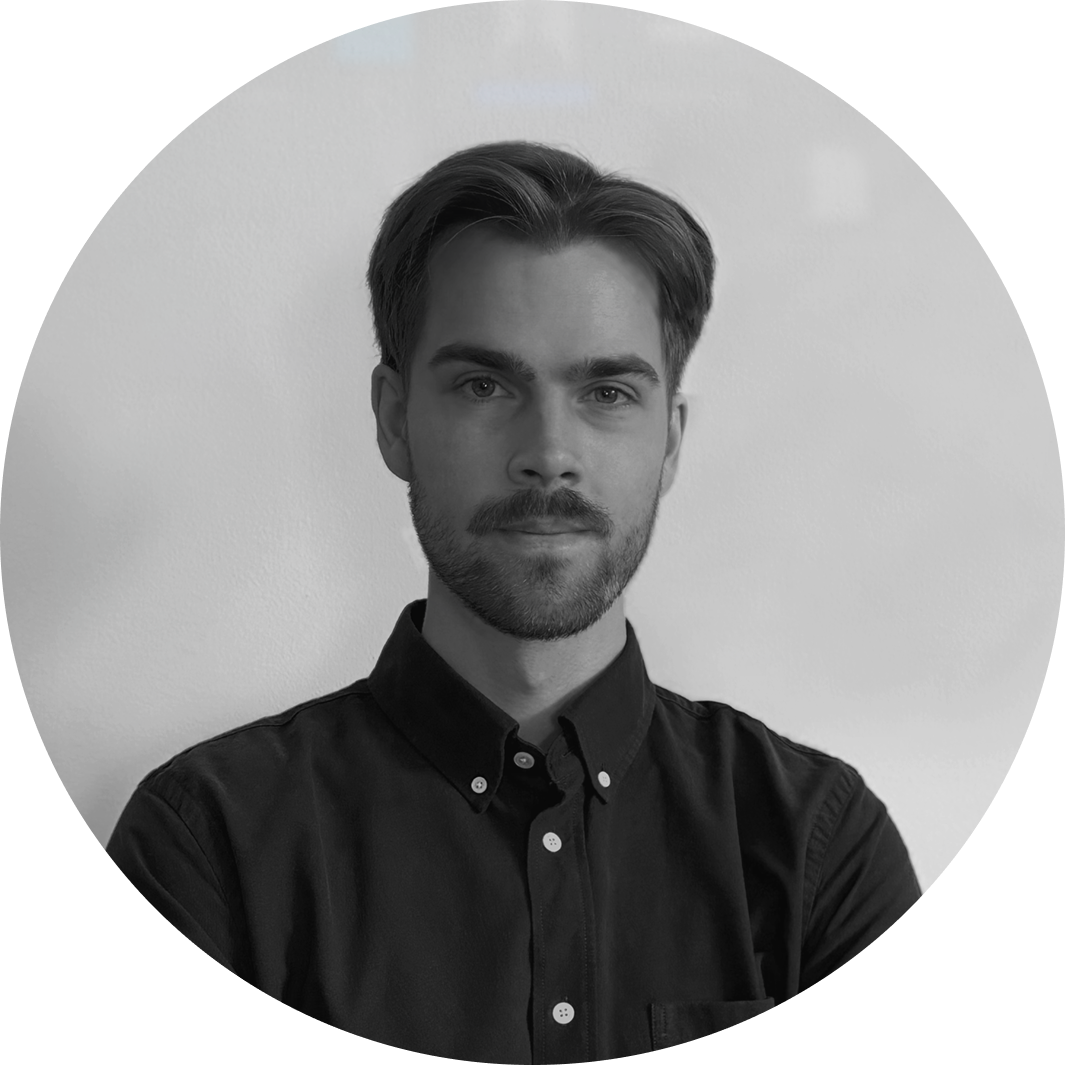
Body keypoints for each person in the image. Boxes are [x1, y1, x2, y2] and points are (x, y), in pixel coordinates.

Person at [106, 140, 922, 1060]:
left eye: (607, 391)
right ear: (391, 419)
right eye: (484, 384)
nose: (548, 451)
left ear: (672, 441)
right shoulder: (208, 844)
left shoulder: (818, 843)